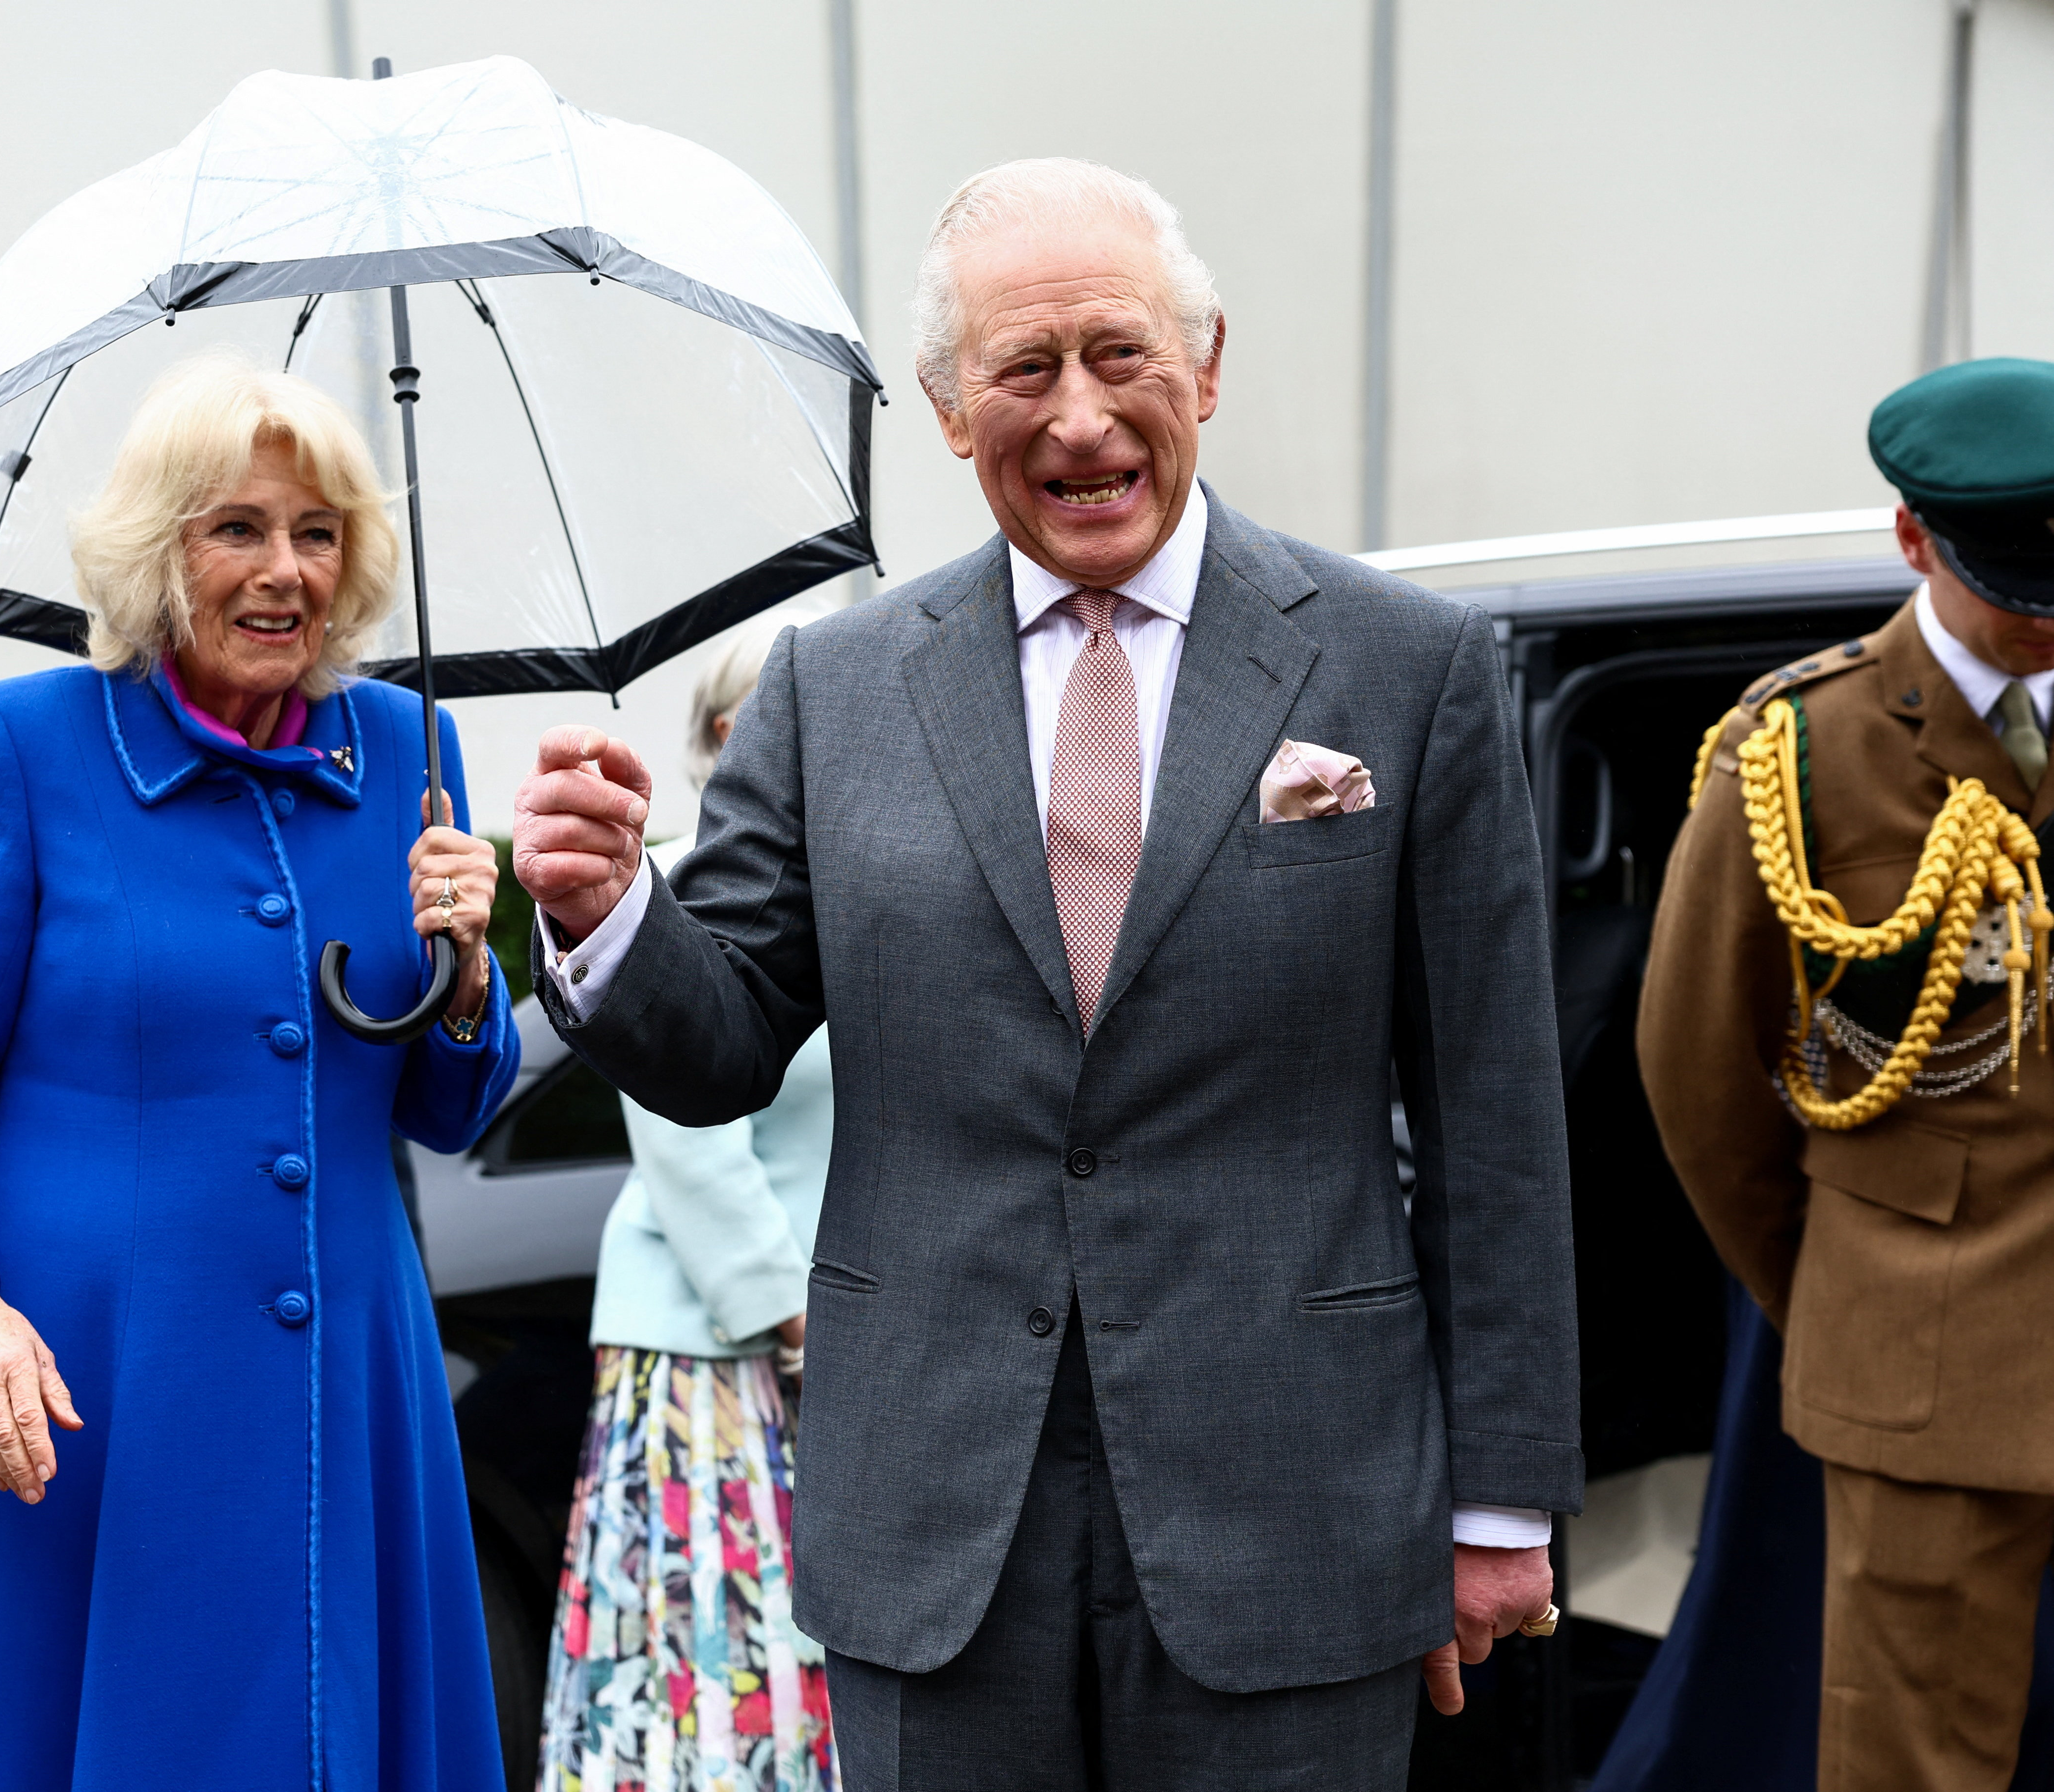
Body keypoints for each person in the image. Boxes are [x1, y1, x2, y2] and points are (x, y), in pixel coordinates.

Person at [510, 158, 1580, 1791]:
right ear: (950, 410)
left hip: (1295, 1503)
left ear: (1203, 366)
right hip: (936, 1526)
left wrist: (1498, 1505)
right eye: (1023, 368)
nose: (1079, 416)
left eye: (1118, 353)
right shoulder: (831, 689)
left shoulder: (1403, 667)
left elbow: (1491, 1114)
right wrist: (603, 916)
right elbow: (719, 1041)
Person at [0, 353, 521, 1792]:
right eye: (239, 529)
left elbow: (448, 1108)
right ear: (159, 550)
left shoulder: (412, 751)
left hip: (348, 1383)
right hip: (79, 1387)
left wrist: (470, 968)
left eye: (319, 533)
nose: (286, 571)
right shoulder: (21, 747)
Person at [1633, 356, 2054, 1792]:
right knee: (1912, 1759)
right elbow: (1702, 1086)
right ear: (1913, 541)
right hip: (1925, 1365)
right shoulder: (1798, 752)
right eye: (2013, 586)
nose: (2043, 619)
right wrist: (1855, 1294)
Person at [538, 612, 838, 1792]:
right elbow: (685, 1141)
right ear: (720, 737)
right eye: (772, 716)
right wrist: (793, 1318)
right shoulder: (669, 880)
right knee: (712, 1673)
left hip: (848, 1346)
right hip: (714, 1350)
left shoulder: (861, 885)